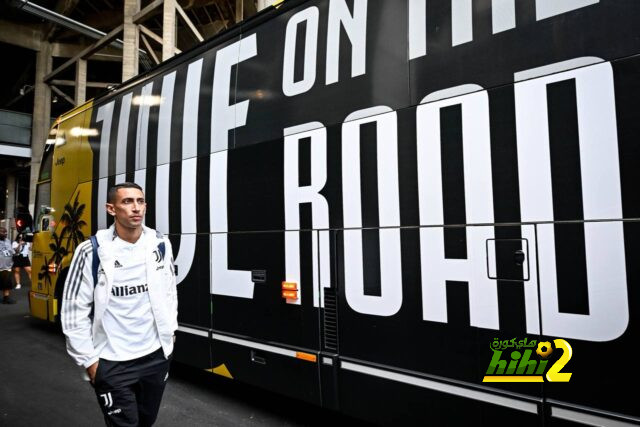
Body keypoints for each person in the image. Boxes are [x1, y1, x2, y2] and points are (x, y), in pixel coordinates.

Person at [61, 182, 178, 427]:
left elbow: (169, 292)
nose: (136, 208)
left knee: (146, 422)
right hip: (113, 363)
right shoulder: (91, 250)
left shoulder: (160, 244)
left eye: (140, 201)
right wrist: (90, 362)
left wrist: (170, 335)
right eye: (127, 202)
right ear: (111, 209)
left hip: (155, 358)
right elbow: (73, 309)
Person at [0, 227, 16, 304]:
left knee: (7, 284)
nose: (5, 233)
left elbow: (12, 251)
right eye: (3, 232)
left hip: (7, 267)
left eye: (6, 232)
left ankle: (6, 298)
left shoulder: (8, 241)